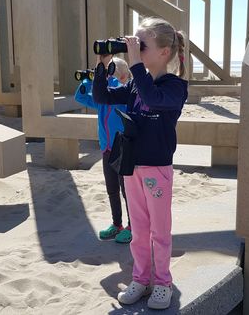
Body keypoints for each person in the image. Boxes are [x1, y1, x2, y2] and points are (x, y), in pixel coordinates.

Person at [92, 17, 187, 310]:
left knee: (159, 230)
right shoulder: (135, 84)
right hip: (132, 166)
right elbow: (102, 96)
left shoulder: (175, 87)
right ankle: (140, 278)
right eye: (133, 43)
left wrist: (134, 64)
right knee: (140, 230)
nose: (135, 48)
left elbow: (153, 97)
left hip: (157, 168)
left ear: (164, 52)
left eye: (141, 44)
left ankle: (162, 283)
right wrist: (102, 64)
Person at [74, 57, 133, 244]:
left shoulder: (123, 95)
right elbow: (80, 97)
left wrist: (109, 78)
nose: (109, 78)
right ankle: (117, 224)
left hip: (122, 147)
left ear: (122, 75)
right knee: (112, 189)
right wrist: (89, 80)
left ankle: (133, 226)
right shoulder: (101, 100)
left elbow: (116, 87)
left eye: (112, 73)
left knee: (127, 190)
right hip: (106, 147)